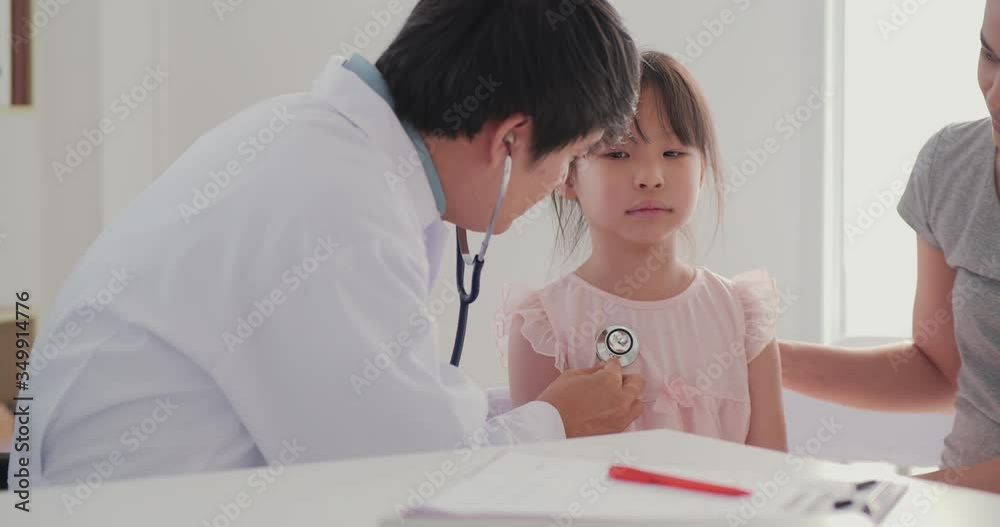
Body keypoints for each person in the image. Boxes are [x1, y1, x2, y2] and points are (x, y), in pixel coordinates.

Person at [13, 0, 648, 487]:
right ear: (510, 139)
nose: (564, 188)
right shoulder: (339, 213)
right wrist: (554, 422)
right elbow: (405, 478)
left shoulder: (317, 146)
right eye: (567, 160)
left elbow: (391, 409)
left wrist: (535, 406)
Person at [496, 52, 788, 452]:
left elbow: (772, 480)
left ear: (702, 169)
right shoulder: (544, 327)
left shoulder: (742, 315)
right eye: (617, 154)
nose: (650, 177)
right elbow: (538, 482)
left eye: (673, 154)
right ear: (567, 173)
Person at [780, 0, 1000, 494]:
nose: (995, 97)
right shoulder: (951, 166)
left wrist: (890, 500)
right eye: (990, 55)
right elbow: (940, 371)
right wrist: (759, 357)